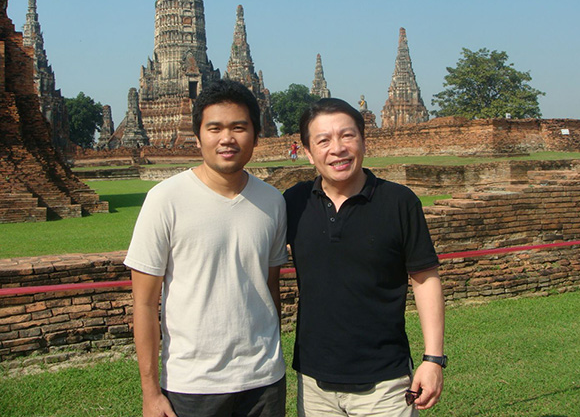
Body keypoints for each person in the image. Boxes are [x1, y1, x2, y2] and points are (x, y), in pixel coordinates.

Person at [125, 80, 288, 417]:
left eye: (239, 128)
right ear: (197, 136)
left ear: (256, 136)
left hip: (264, 378)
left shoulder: (273, 201)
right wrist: (149, 392)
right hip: (192, 382)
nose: (227, 138)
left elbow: (270, 285)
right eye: (214, 128)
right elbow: (143, 303)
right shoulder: (164, 199)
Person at [284, 98, 445, 416]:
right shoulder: (294, 203)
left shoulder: (399, 202)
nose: (337, 149)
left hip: (386, 382)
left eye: (347, 136)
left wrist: (433, 359)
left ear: (363, 140)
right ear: (308, 152)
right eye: (323, 140)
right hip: (314, 380)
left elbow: (425, 280)